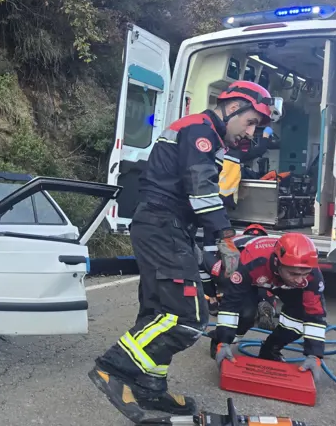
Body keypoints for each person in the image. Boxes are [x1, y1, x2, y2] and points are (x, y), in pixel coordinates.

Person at [88, 81, 279, 422]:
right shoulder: (199, 131)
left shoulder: (207, 135)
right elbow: (201, 190)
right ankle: (113, 367)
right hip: (163, 224)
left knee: (158, 312)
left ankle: (150, 386)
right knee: (187, 316)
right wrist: (225, 236)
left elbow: (198, 194)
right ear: (232, 107)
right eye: (251, 122)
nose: (251, 132)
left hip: (165, 225)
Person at [211, 233, 326, 384]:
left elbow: (315, 316)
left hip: (280, 282)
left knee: (299, 318)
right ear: (277, 262)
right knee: (246, 314)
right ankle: (219, 341)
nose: (299, 280)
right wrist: (224, 341)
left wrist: (314, 355)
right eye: (294, 273)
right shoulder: (251, 262)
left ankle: (270, 349)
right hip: (255, 277)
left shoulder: (312, 276)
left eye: (304, 274)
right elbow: (230, 304)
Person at [219, 126, 279, 209]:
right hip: (226, 200)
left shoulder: (219, 152)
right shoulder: (233, 154)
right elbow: (259, 150)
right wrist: (265, 136)